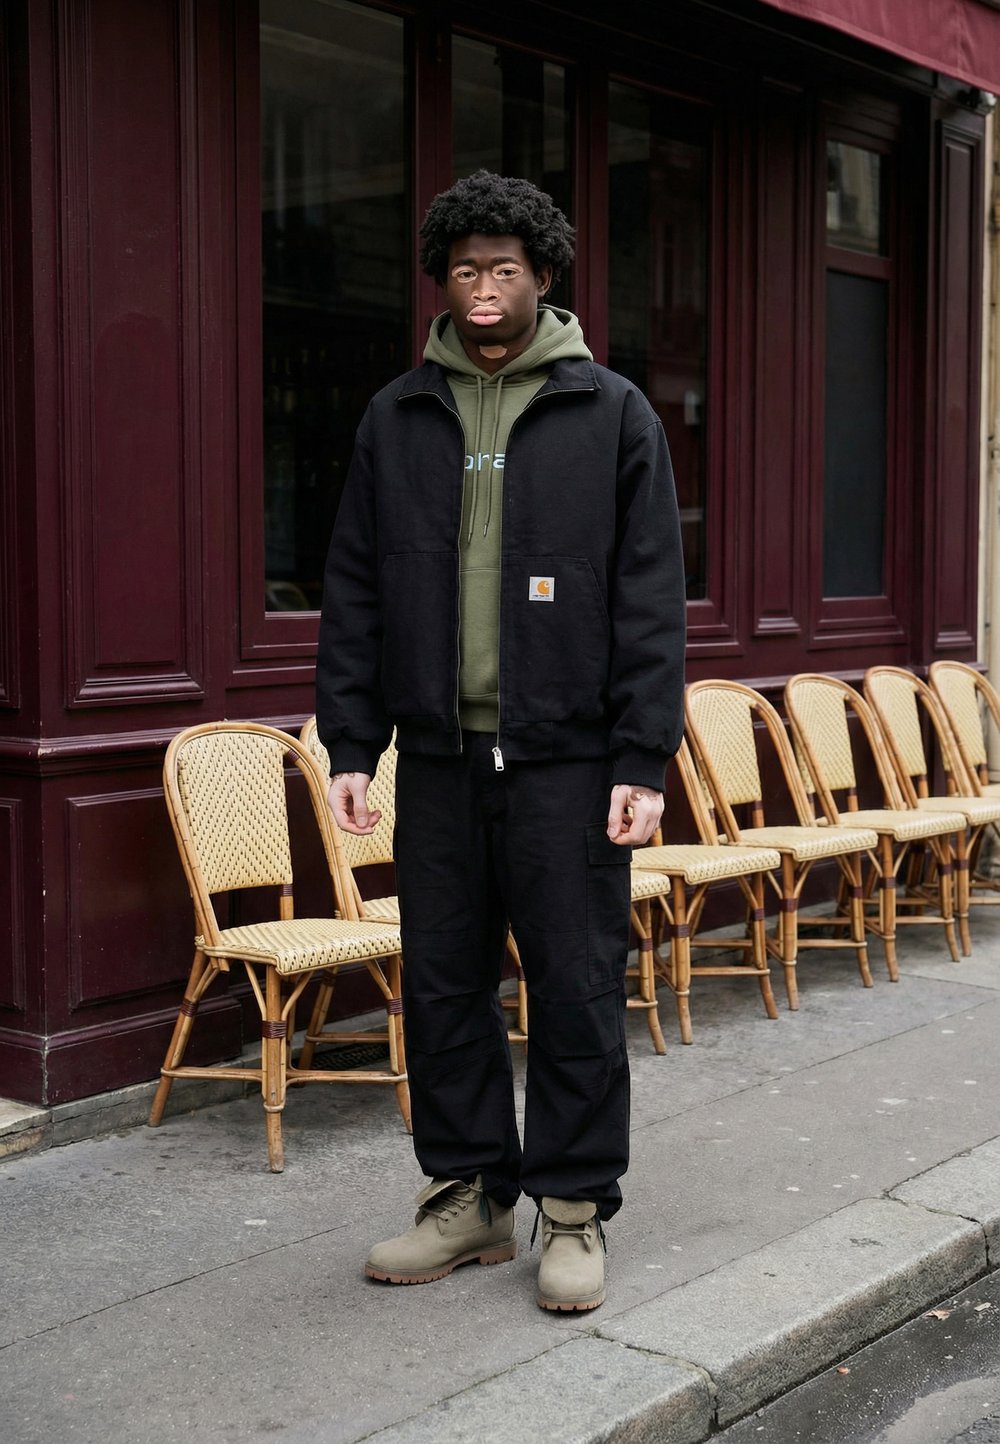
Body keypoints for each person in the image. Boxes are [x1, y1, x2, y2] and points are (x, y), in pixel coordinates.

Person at [317, 170, 686, 1312]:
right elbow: (355, 589)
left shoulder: (610, 412)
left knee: (574, 984)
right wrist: (349, 744)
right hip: (435, 758)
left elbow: (649, 597)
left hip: (566, 761)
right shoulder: (398, 416)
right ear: (442, 280)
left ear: (543, 277)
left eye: (506, 269)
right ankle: (471, 1195)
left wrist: (641, 759)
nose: (485, 287)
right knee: (441, 985)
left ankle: (571, 1207)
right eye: (466, 268)